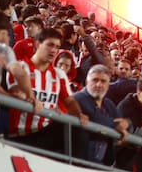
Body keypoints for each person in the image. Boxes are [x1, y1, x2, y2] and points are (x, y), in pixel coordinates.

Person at [6, 27, 90, 159]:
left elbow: (70, 101)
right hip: (21, 135)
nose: (53, 50)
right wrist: (29, 97)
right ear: (38, 44)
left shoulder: (59, 74)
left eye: (56, 46)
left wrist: (79, 114)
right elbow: (16, 91)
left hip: (45, 132)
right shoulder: (21, 67)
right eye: (50, 45)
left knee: (78, 129)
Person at [72, 64, 131, 165]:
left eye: (103, 81)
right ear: (87, 82)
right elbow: (94, 117)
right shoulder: (78, 98)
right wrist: (115, 125)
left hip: (101, 163)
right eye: (95, 80)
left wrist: (127, 124)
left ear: (108, 85)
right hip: (77, 161)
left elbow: (121, 122)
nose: (99, 85)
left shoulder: (109, 104)